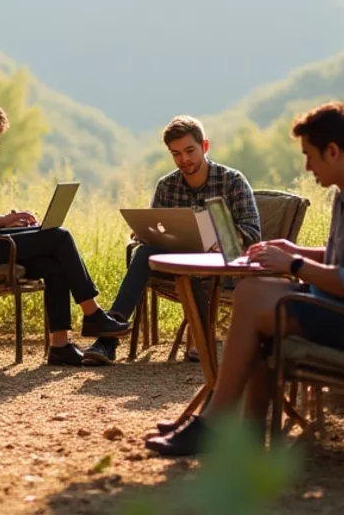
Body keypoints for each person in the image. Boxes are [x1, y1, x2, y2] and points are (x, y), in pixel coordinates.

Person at [145, 102, 344, 456]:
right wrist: (296, 251)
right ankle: (240, 435)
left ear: (333, 151)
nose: (307, 167)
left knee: (251, 298)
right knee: (254, 296)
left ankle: (214, 424)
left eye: (310, 156)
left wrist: (293, 265)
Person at [0, 100, 130, 365]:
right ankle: (92, 314)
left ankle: (60, 346)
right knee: (60, 236)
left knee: (53, 263)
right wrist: (3, 221)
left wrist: (8, 222)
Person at [82, 115, 261, 366]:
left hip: (220, 266)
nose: (184, 160)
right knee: (143, 253)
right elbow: (157, 229)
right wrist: (145, 233)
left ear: (205, 146)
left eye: (190, 151)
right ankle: (107, 341)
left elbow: (252, 231)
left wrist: (222, 239)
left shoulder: (232, 181)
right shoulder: (166, 185)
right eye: (176, 154)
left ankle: (199, 337)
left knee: (200, 266)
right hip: (175, 265)